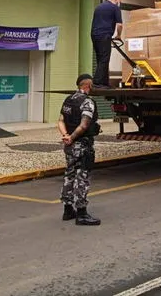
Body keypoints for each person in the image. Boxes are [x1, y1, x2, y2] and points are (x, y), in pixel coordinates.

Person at [58, 73, 101, 226]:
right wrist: (73, 137)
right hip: (81, 144)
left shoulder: (69, 99)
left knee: (69, 175)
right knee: (82, 177)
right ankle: (81, 213)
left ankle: (67, 209)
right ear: (87, 85)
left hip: (69, 146)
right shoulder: (87, 102)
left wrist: (65, 136)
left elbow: (61, 120)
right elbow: (84, 125)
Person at [90, 0, 123, 88]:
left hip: (94, 35)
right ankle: (97, 82)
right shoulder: (115, 8)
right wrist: (119, 35)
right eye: (119, 1)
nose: (119, 3)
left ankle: (104, 82)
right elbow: (119, 25)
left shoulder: (98, 7)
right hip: (105, 35)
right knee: (104, 58)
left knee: (100, 58)